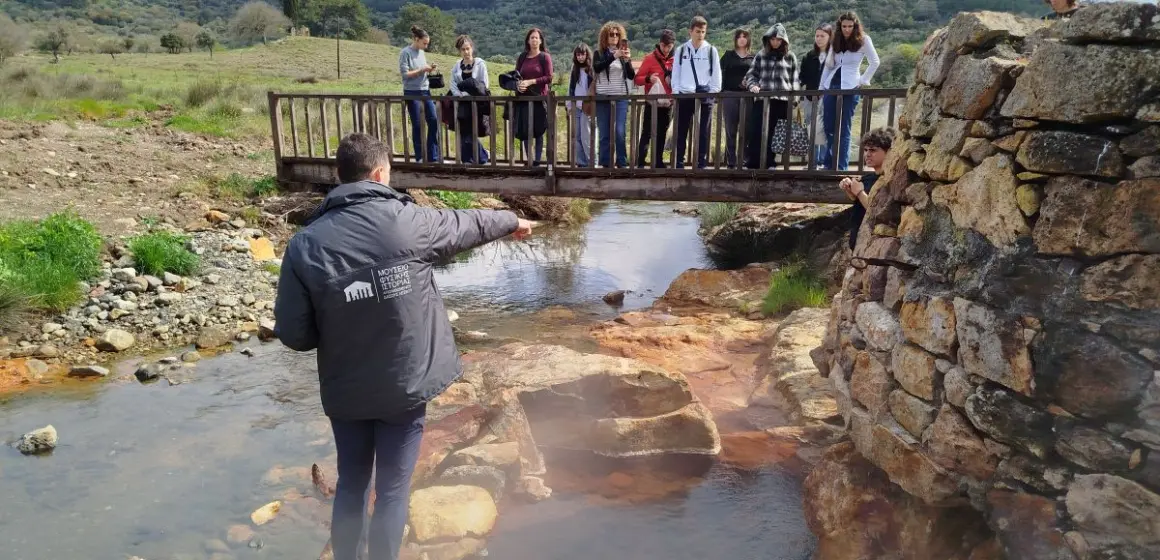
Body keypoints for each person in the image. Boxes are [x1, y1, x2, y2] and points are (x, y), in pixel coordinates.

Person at [274, 133, 534, 560]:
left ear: (339, 177)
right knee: (393, 490)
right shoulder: (408, 221)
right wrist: (511, 221)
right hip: (405, 387)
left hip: (347, 391)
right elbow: (466, 223)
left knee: (353, 483)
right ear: (379, 174)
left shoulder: (304, 245)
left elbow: (295, 334)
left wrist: (343, 317)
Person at [820, 11, 879, 171]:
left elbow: (875, 61)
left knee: (844, 127)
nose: (847, 29)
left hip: (850, 86)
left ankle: (840, 166)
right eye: (844, 26)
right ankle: (828, 163)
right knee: (829, 127)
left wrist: (862, 80)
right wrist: (820, 88)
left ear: (855, 26)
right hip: (831, 86)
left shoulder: (864, 40)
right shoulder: (836, 40)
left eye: (850, 26)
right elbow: (828, 64)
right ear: (840, 27)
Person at [742, 24, 798, 170]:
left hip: (782, 101)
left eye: (779, 39)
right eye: (773, 39)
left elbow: (795, 79)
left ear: (783, 41)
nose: (775, 42)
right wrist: (752, 85)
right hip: (762, 99)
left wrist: (795, 99)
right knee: (757, 131)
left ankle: (770, 163)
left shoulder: (790, 56)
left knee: (776, 134)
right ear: (768, 39)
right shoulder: (761, 55)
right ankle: (753, 163)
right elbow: (751, 74)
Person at [671, 16, 722, 169]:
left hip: (704, 95)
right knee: (681, 130)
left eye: (703, 31)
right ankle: (679, 161)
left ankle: (701, 162)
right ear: (690, 31)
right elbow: (676, 73)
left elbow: (716, 75)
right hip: (685, 94)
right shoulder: (681, 50)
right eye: (698, 31)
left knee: (704, 131)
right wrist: (676, 92)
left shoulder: (711, 50)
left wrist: (712, 93)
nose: (700, 34)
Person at [839, 127, 895, 250]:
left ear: (888, 152)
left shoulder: (889, 180)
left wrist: (859, 192)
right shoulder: (868, 178)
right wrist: (850, 189)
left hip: (872, 242)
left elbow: (877, 211)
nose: (867, 154)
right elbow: (859, 201)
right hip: (858, 239)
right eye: (865, 150)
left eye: (873, 150)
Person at [593, 21, 635, 168]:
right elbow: (597, 67)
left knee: (619, 131)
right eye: (611, 34)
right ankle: (605, 164)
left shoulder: (622, 53)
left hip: (621, 97)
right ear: (605, 36)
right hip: (603, 97)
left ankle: (622, 162)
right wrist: (613, 56)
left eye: (617, 35)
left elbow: (631, 76)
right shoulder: (598, 53)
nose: (615, 37)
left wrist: (628, 60)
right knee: (604, 133)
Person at [399, 26, 441, 163]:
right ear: (416, 40)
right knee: (417, 124)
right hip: (411, 92)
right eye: (424, 43)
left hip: (425, 90)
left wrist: (430, 68)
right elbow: (405, 75)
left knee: (433, 120)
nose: (426, 45)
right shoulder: (405, 53)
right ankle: (419, 157)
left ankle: (432, 156)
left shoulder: (422, 53)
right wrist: (422, 69)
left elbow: (422, 69)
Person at [634, 29, 676, 168]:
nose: (666, 49)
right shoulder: (649, 58)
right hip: (652, 103)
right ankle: (640, 162)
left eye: (669, 47)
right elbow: (637, 79)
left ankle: (658, 161)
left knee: (662, 133)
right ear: (660, 44)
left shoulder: (676, 60)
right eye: (664, 46)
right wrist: (648, 78)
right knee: (647, 132)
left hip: (668, 104)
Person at [449, 35, 490, 164]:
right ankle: (468, 159)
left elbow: (484, 84)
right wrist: (458, 94)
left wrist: (469, 93)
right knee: (463, 132)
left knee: (472, 132)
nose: (466, 52)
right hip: (462, 103)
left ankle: (481, 157)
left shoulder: (480, 64)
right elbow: (453, 83)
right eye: (463, 49)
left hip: (476, 103)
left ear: (472, 48)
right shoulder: (457, 66)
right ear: (459, 51)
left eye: (468, 48)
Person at [720, 28, 754, 169]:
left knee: (747, 129)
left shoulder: (753, 57)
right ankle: (731, 161)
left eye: (744, 36)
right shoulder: (728, 55)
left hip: (747, 96)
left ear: (748, 39)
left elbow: (757, 75)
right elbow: (719, 73)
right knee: (730, 128)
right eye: (739, 36)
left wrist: (751, 83)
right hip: (730, 95)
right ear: (735, 39)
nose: (741, 39)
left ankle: (745, 159)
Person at [799, 23, 832, 166]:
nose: (819, 38)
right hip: (809, 98)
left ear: (830, 37)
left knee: (825, 129)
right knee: (811, 129)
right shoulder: (809, 56)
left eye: (822, 36)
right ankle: (812, 162)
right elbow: (802, 77)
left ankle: (824, 162)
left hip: (827, 98)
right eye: (817, 35)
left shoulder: (835, 56)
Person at [566, 43, 595, 167]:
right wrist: (568, 105)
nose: (580, 57)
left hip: (587, 107)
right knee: (577, 136)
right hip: (576, 106)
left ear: (587, 54)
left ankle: (592, 162)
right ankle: (581, 163)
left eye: (582, 54)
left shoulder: (592, 69)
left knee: (586, 136)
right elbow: (570, 88)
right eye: (578, 55)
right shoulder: (575, 70)